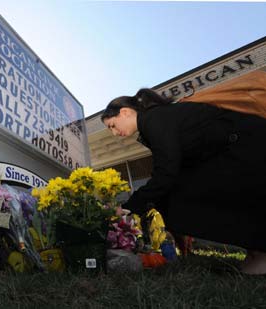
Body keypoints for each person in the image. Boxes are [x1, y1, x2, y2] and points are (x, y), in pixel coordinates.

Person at [101, 88, 266, 275]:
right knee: (174, 194)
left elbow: (166, 173)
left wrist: (128, 207)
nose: (114, 133)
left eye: (112, 125)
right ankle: (256, 253)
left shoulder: (154, 120)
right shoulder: (156, 119)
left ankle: (260, 254)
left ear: (125, 111)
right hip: (241, 148)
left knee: (174, 197)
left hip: (247, 148)